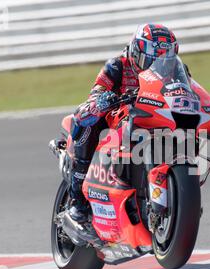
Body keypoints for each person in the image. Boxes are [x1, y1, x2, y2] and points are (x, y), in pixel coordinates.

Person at [67, 23, 180, 223]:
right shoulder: (117, 65)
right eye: (152, 60)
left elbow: (187, 91)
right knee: (86, 119)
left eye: (164, 60)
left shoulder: (177, 71)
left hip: (155, 117)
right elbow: (97, 91)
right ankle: (77, 200)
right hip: (118, 118)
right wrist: (104, 99)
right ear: (136, 53)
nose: (157, 66)